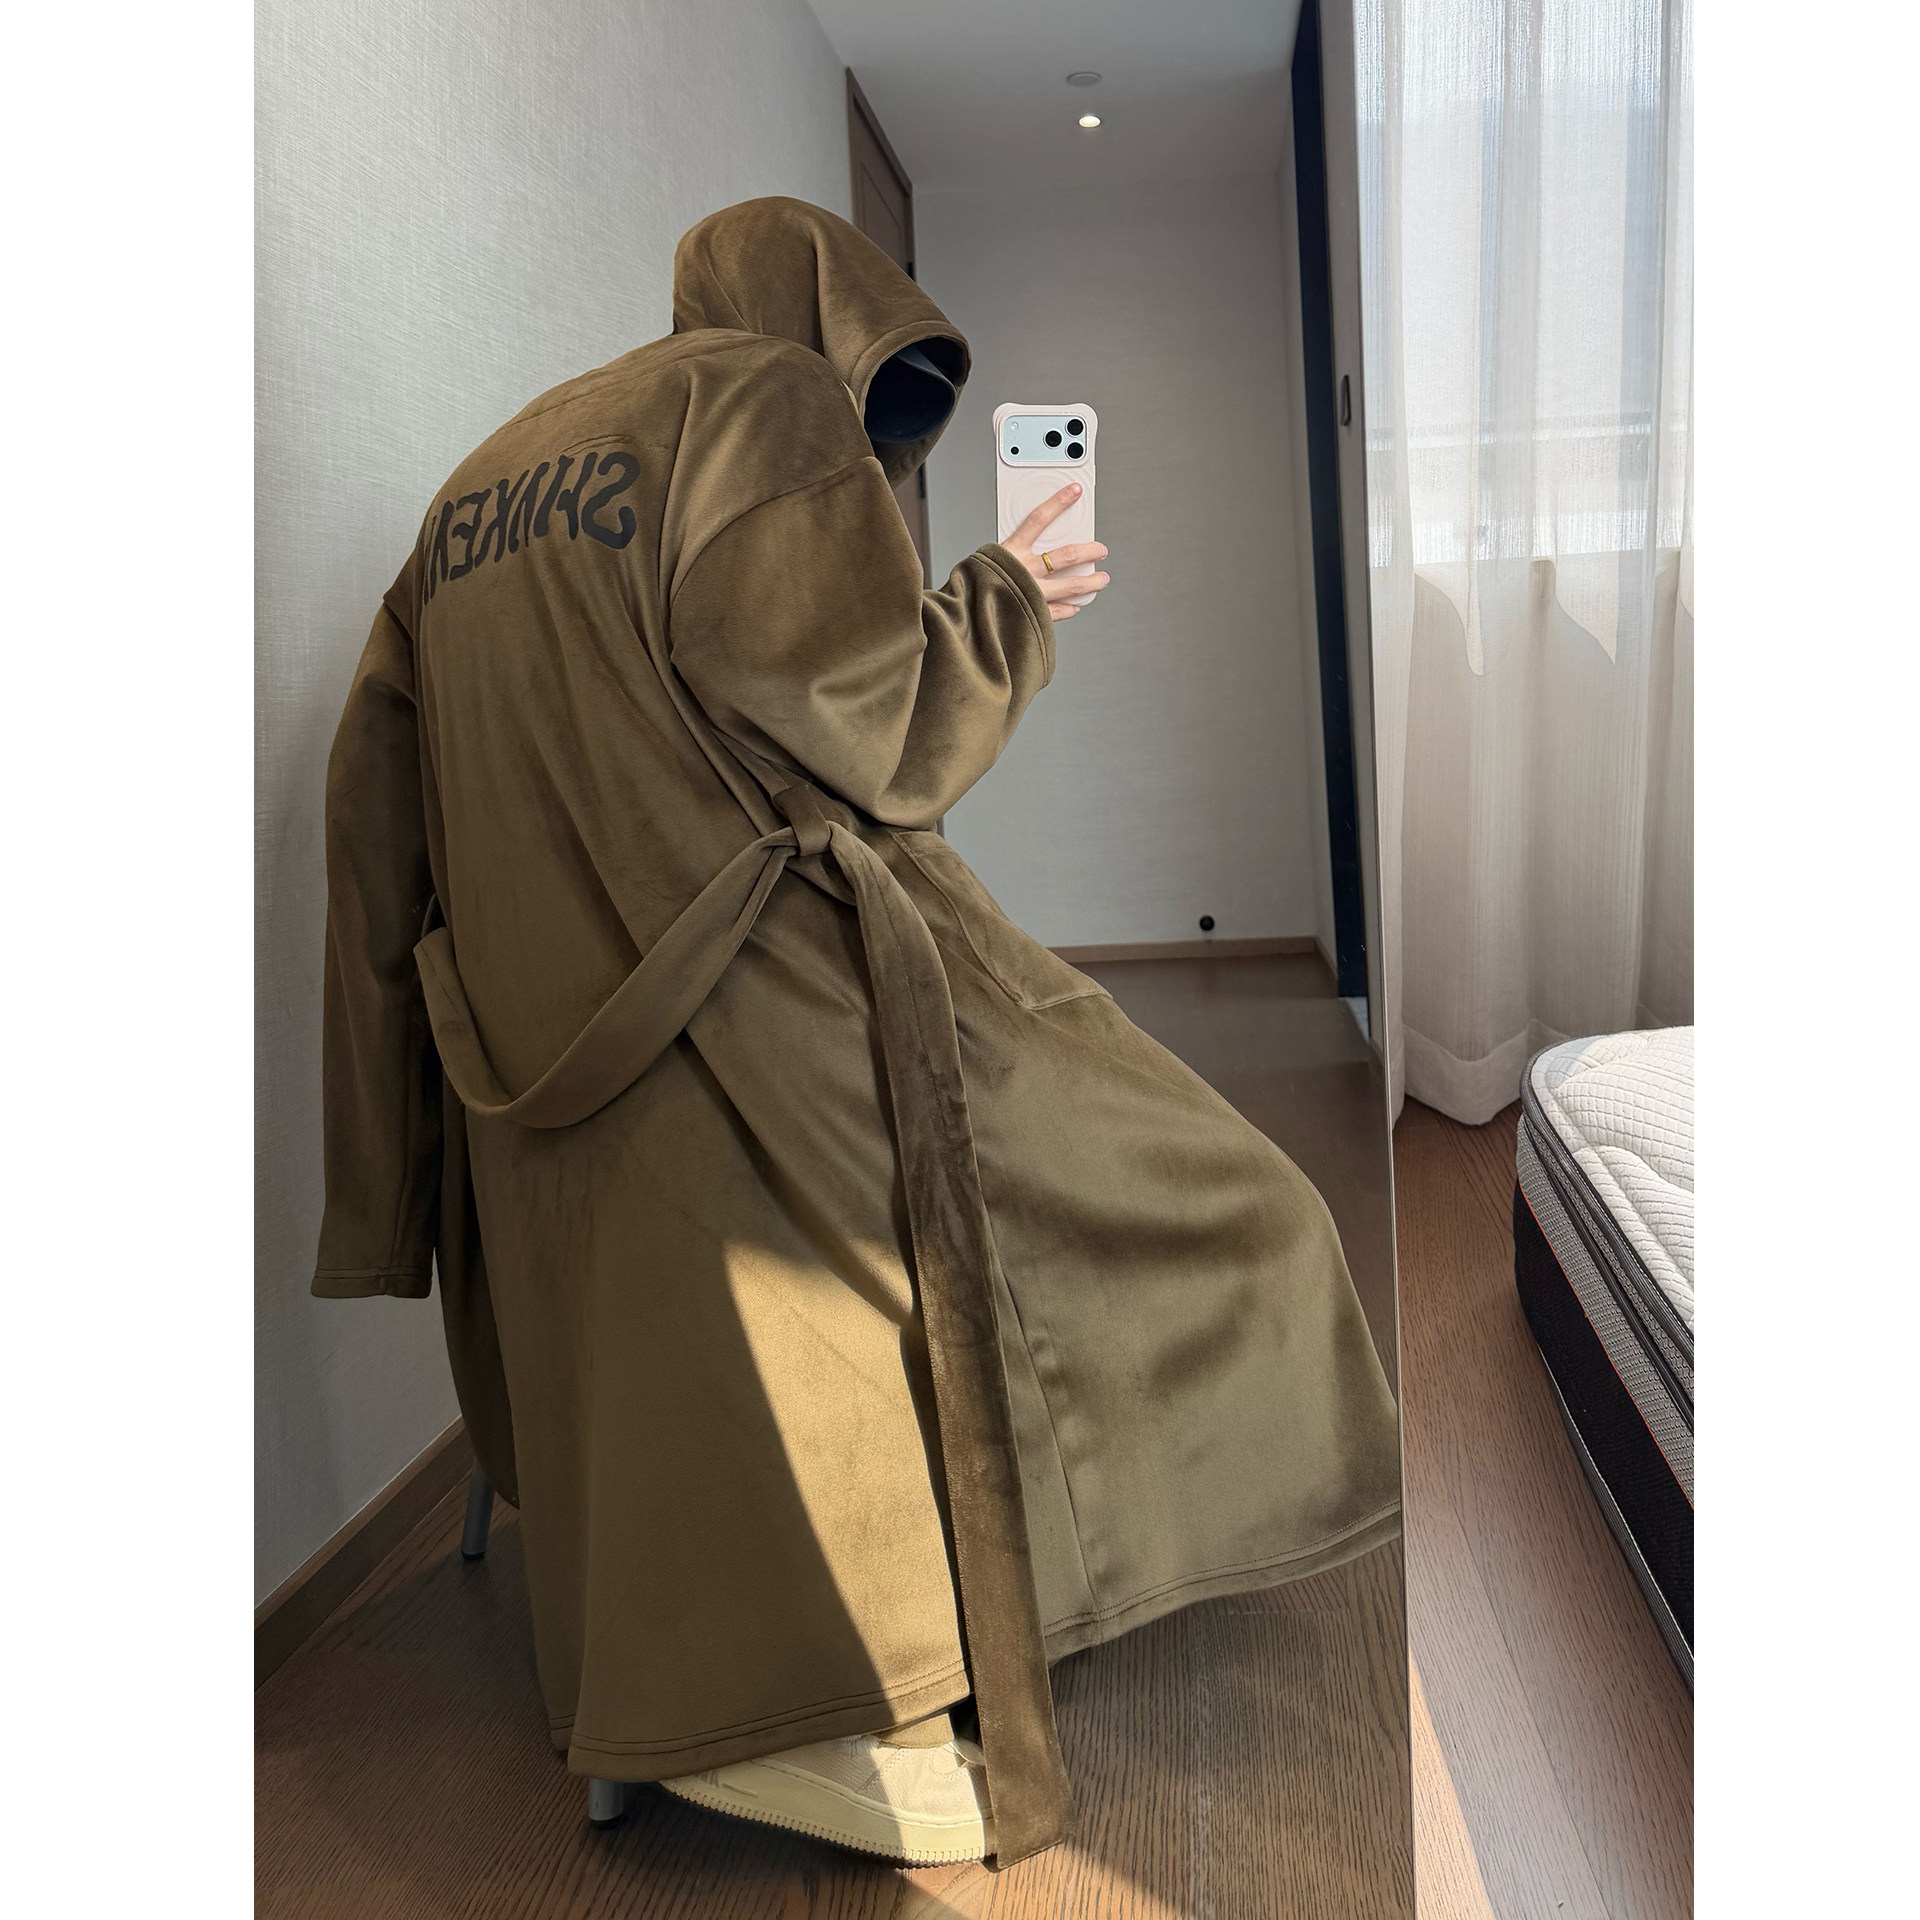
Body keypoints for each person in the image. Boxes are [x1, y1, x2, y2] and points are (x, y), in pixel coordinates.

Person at [314, 195, 1400, 1868]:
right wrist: (1009, 599)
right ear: (831, 317)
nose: (874, 440)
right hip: (776, 1016)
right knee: (1220, 1196)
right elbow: (882, 727)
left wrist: (390, 1193)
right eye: (879, 399)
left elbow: (374, 828)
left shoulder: (472, 490)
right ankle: (937, 1627)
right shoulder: (756, 397)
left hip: (538, 1095)